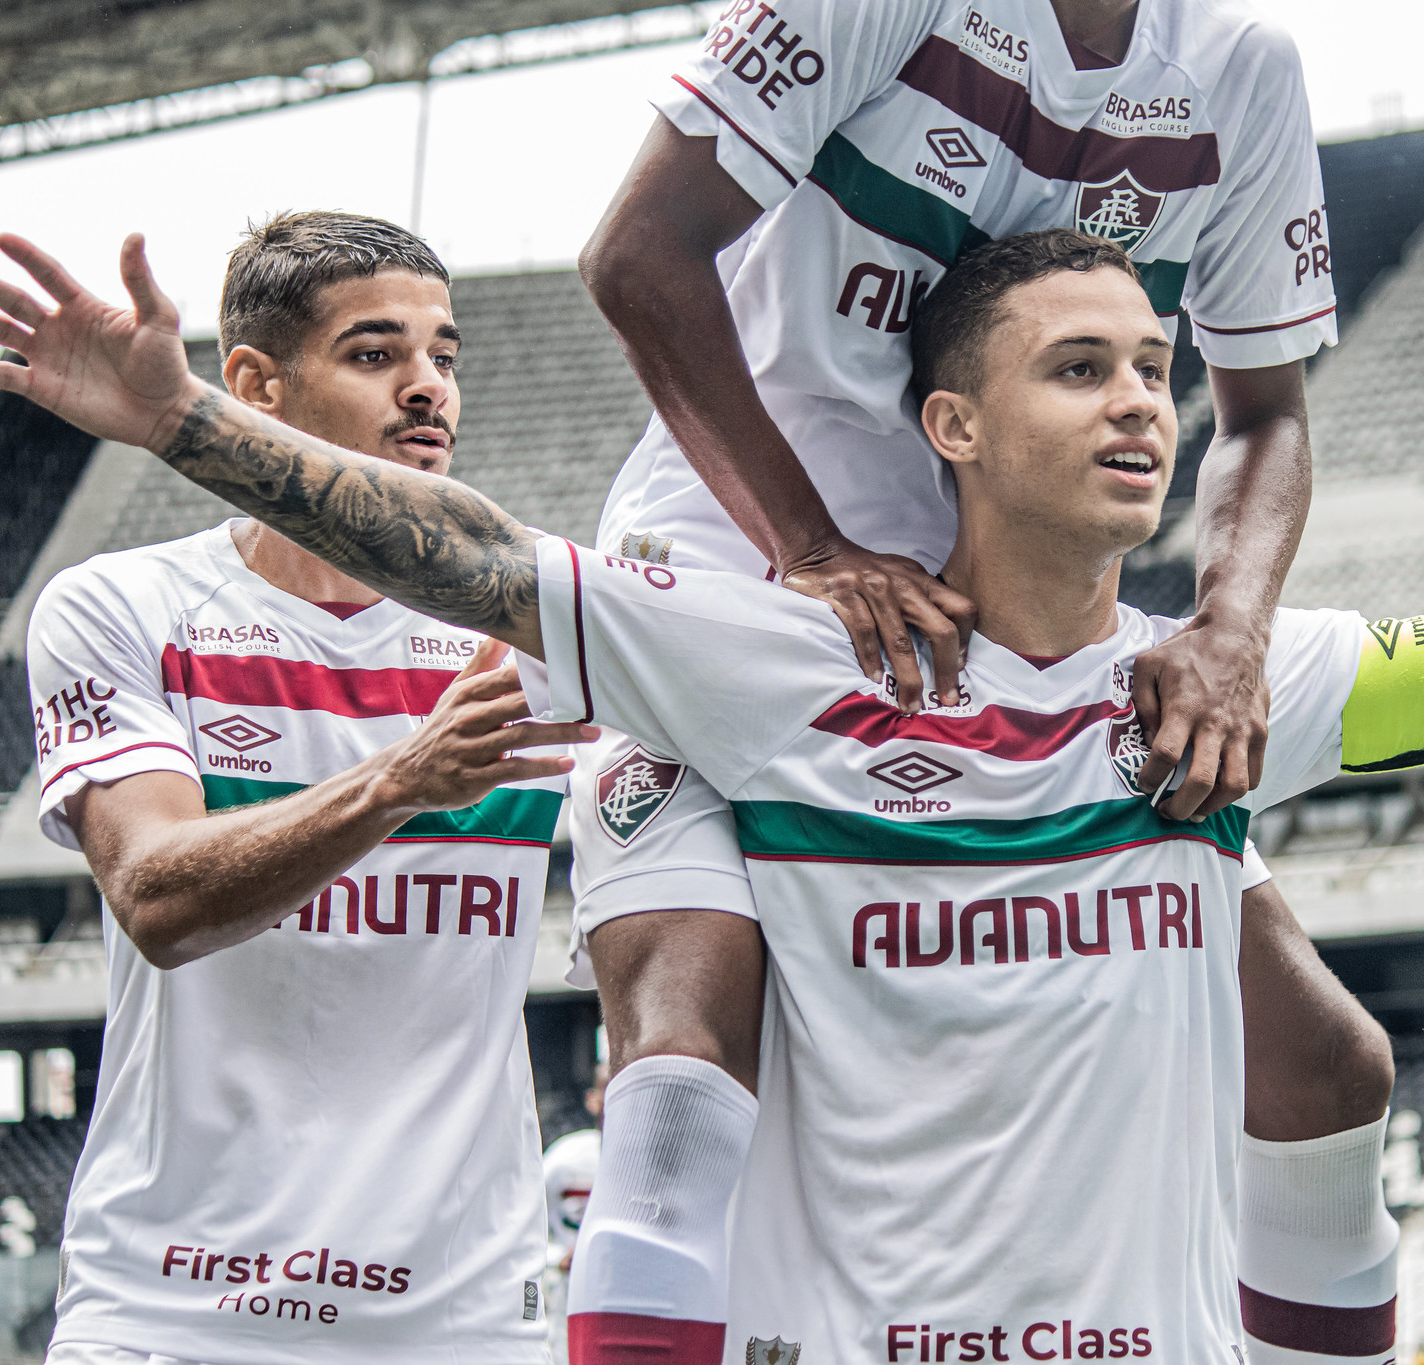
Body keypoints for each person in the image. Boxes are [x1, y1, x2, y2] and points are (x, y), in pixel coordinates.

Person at [0, 226, 1424, 1364]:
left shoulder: (1223, 694)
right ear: (947, 423)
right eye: (1080, 368)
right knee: (678, 1026)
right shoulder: (766, 667)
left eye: (1153, 367)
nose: (1140, 401)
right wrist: (190, 424)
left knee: (1325, 1042)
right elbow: (469, 566)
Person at [570, 1, 1377, 1355]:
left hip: (1002, 626)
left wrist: (1233, 629)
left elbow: (1266, 410)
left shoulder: (1244, 71)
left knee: (1329, 1061)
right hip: (739, 573)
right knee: (686, 1067)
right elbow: (636, 255)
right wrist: (810, 541)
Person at [0, 213, 596, 1365]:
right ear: (254, 387)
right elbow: (160, 901)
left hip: (464, 1319)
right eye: (376, 354)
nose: (429, 389)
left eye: (445, 357)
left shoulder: (538, 621)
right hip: (174, 1314)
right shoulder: (123, 607)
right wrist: (401, 784)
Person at [543, 1066, 609, 1364]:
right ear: (592, 1098)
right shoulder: (564, 1160)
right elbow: (523, 1231)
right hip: (568, 1301)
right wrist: (559, 1257)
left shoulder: (654, 1161)